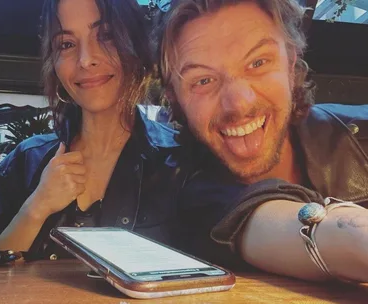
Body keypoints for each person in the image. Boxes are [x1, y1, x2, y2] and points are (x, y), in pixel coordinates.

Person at [158, 0, 368, 282]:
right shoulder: (187, 192)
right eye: (203, 80)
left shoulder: (358, 134)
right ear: (174, 98)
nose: (238, 103)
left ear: (291, 63)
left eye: (258, 63)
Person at [0, 0, 186, 266]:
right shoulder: (26, 161)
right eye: (66, 44)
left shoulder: (180, 161)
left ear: (136, 45)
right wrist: (36, 207)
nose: (86, 60)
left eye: (105, 35)